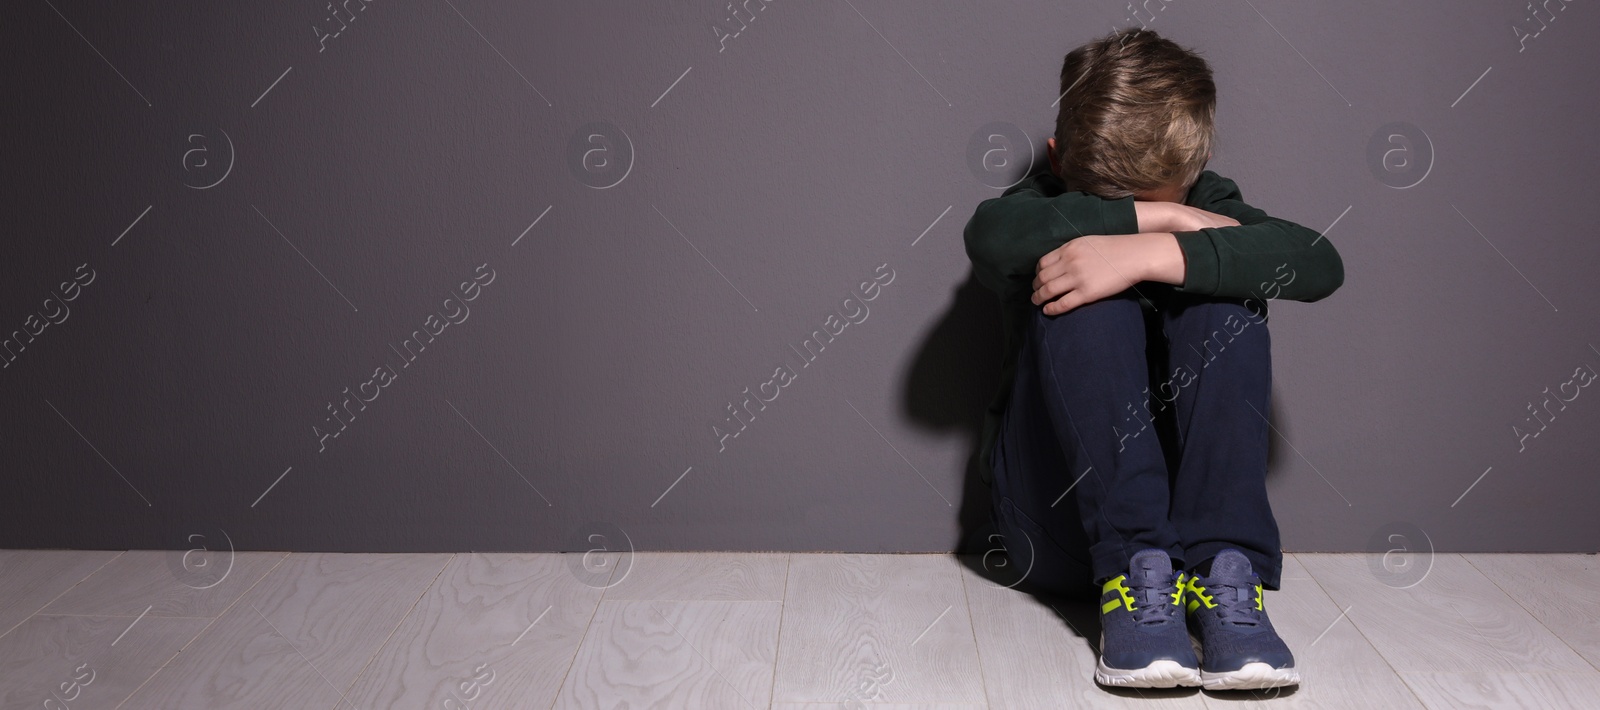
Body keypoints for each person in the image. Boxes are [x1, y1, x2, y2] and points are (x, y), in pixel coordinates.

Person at [962, 27, 1344, 690]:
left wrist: (1155, 254)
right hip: (1055, 528)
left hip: (1191, 538)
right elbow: (990, 236)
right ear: (1055, 159)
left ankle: (1224, 574)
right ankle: (1133, 574)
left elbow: (1317, 261)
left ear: (1195, 179)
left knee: (1226, 302)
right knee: (1083, 296)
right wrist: (1156, 221)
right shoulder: (1037, 202)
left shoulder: (1207, 197)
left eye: (1170, 204)